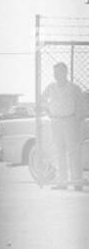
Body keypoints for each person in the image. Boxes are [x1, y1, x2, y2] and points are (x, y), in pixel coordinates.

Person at [41, 62, 85, 191]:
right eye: (55, 72)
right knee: (59, 151)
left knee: (73, 152)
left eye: (59, 72)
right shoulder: (51, 87)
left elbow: (81, 105)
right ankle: (62, 182)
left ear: (65, 72)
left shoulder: (74, 88)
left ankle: (77, 181)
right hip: (56, 121)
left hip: (70, 120)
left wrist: (77, 120)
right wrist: (48, 112)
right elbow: (42, 100)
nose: (56, 75)